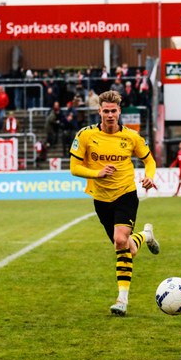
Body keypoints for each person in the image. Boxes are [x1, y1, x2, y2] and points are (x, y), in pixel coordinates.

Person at [69, 90, 160, 316]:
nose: (110, 115)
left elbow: (149, 160)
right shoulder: (86, 135)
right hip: (101, 199)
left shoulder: (131, 137)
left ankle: (122, 299)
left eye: (114, 111)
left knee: (120, 241)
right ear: (99, 111)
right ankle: (146, 235)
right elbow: (74, 168)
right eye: (106, 111)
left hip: (125, 193)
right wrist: (97, 173)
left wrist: (149, 176)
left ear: (119, 112)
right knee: (128, 248)